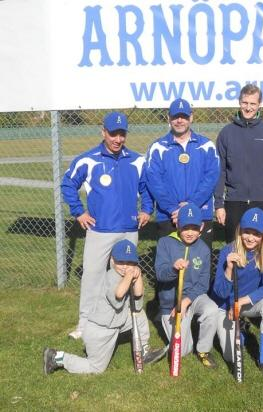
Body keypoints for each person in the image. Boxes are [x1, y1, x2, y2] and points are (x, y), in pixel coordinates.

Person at [61, 112, 153, 339]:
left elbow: (146, 188)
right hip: (99, 230)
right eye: (113, 133)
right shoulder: (88, 159)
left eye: (122, 134)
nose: (117, 139)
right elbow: (67, 184)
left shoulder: (136, 160)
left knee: (128, 276)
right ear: (103, 132)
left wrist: (147, 209)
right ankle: (85, 324)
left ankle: (128, 321)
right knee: (92, 277)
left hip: (129, 231)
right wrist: (78, 212)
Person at [43, 240, 165, 375]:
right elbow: (118, 294)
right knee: (95, 368)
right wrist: (130, 275)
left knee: (138, 315)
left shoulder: (126, 276)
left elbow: (138, 298)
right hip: (100, 331)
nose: (126, 266)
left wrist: (138, 277)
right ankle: (56, 357)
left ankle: (144, 351)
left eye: (130, 263)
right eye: (121, 262)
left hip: (116, 323)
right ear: (112, 260)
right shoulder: (112, 276)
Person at [210, 208, 263, 382]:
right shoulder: (228, 250)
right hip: (226, 304)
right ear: (240, 230)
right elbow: (218, 292)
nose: (250, 237)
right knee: (231, 355)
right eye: (247, 232)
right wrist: (229, 268)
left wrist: (241, 302)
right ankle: (239, 330)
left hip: (246, 303)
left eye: (256, 233)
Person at [145, 98, 219, 247]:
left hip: (200, 214)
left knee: (199, 265)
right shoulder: (158, 147)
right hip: (169, 216)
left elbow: (210, 179)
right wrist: (173, 209)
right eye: (175, 117)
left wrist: (191, 206)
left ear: (191, 117)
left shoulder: (206, 145)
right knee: (170, 265)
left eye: (184, 117)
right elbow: (154, 182)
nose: (179, 121)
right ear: (169, 118)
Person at [214, 84, 263, 243]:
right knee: (234, 246)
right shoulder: (226, 133)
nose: (248, 107)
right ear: (239, 102)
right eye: (245, 103)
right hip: (234, 201)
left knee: (262, 247)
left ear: (259, 104)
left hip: (262, 201)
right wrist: (219, 204)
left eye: (252, 103)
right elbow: (220, 171)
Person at [154, 203, 218, 368]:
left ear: (202, 227)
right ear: (177, 224)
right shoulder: (165, 243)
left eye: (194, 228)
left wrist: (186, 301)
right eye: (185, 227)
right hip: (171, 304)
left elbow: (203, 284)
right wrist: (173, 269)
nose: (190, 232)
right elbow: (160, 275)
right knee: (183, 350)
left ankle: (203, 349)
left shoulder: (203, 249)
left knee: (211, 309)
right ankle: (173, 346)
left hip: (192, 298)